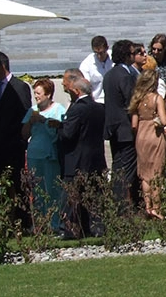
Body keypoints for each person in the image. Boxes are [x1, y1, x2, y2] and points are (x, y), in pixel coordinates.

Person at [0, 52, 33, 205]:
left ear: (1, 66)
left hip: (12, 145)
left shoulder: (19, 86)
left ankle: (22, 220)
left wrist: (20, 138)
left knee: (16, 185)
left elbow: (25, 113)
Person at [58, 78, 107, 239]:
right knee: (94, 194)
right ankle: (96, 226)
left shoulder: (76, 110)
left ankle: (71, 229)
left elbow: (68, 134)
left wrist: (58, 128)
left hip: (77, 159)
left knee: (73, 196)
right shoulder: (100, 108)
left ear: (77, 91)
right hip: (96, 157)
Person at [103, 39, 141, 211]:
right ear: (126, 56)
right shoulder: (125, 76)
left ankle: (117, 201)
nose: (134, 56)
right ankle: (123, 206)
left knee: (118, 166)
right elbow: (131, 101)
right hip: (125, 128)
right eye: (133, 53)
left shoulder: (109, 74)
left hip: (113, 128)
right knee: (126, 169)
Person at [25, 78, 65, 231]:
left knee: (52, 189)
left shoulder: (58, 109)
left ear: (48, 94)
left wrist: (43, 120)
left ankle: (54, 222)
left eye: (39, 93)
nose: (36, 96)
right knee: (37, 189)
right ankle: (39, 222)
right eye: (35, 93)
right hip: (34, 153)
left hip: (50, 153)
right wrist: (30, 122)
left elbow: (61, 128)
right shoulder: (32, 110)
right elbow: (23, 133)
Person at [129, 69, 166, 218]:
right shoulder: (157, 98)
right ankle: (157, 208)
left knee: (145, 173)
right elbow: (164, 121)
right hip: (155, 135)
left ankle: (147, 206)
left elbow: (134, 124)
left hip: (141, 135)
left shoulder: (136, 99)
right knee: (156, 172)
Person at [79, 35, 112, 103]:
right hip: (97, 101)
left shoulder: (114, 58)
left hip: (114, 101)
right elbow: (86, 86)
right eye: (96, 53)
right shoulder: (86, 64)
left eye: (101, 53)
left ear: (107, 48)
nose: (99, 56)